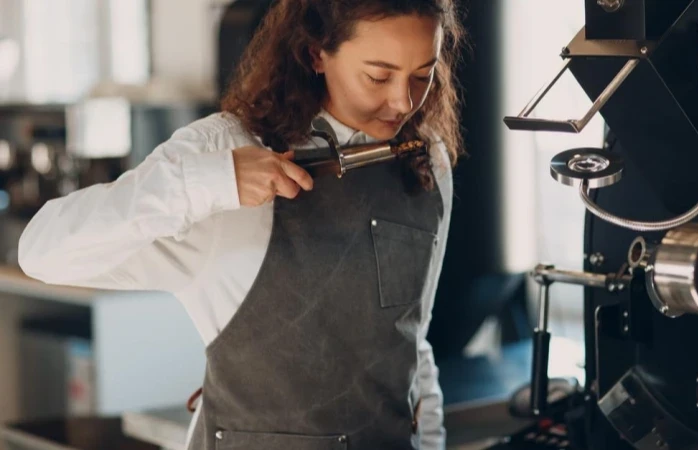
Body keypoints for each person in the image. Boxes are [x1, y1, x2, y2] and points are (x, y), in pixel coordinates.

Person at [17, 0, 464, 449]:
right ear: (315, 53)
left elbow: (409, 342)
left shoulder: (425, 160)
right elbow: (41, 251)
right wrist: (211, 181)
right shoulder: (222, 149)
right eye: (378, 76)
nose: (403, 102)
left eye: (423, 75)